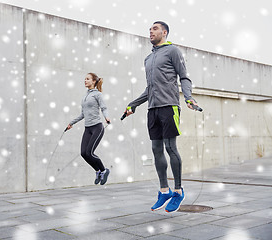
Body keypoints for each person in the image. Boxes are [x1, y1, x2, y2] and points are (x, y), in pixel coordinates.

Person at [123, 21, 200, 212]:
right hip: (153, 109)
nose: (150, 31)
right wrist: (133, 104)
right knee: (156, 149)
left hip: (169, 106)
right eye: (149, 29)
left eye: (155, 29)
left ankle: (178, 191)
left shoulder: (173, 51)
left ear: (164, 32)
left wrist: (189, 98)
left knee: (170, 147)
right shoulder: (148, 59)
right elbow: (150, 88)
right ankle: (164, 190)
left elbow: (184, 77)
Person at [67, 73, 111, 185]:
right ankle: (97, 171)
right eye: (85, 79)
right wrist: (71, 123)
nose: (85, 81)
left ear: (94, 81)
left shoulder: (98, 95)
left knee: (90, 152)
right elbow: (82, 114)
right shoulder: (85, 97)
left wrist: (106, 117)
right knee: (83, 153)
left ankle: (104, 170)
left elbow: (104, 108)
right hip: (88, 128)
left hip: (97, 127)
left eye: (87, 79)